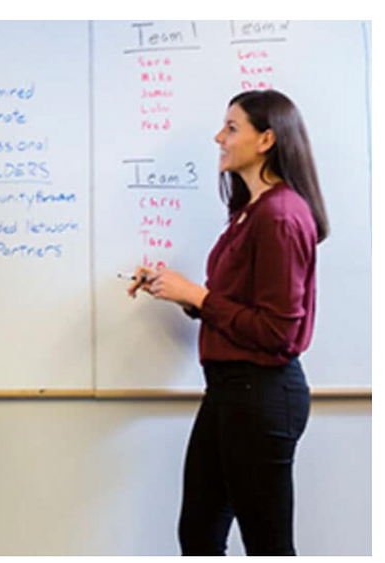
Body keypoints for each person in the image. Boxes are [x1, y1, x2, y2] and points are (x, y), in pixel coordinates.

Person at [128, 89, 329, 555]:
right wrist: (180, 292)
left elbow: (277, 332)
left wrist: (198, 295)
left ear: (266, 140)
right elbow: (242, 306)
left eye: (232, 128)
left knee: (267, 546)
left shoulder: (279, 215)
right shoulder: (250, 212)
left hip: (260, 394)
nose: (219, 137)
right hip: (231, 392)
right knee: (198, 534)